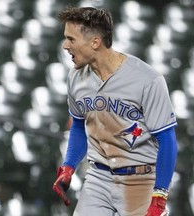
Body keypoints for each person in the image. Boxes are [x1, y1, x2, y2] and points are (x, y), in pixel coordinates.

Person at [52, 6, 178, 216]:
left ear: (95, 42)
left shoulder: (147, 79)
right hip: (98, 178)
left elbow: (167, 139)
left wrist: (160, 196)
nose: (65, 45)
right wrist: (69, 166)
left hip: (141, 180)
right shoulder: (76, 77)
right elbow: (79, 125)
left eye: (71, 39)